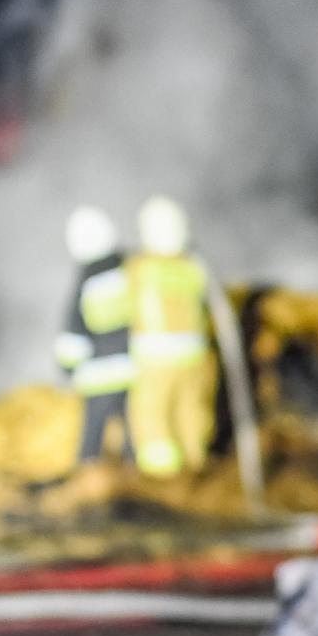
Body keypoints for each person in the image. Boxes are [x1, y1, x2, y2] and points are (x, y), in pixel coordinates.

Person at [125, 195, 216, 478]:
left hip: (155, 357)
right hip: (194, 355)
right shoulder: (192, 267)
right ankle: (196, 462)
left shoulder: (139, 267)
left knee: (153, 413)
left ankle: (162, 475)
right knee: (193, 410)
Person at [56, 205, 136, 465]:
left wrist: (67, 367)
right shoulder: (130, 269)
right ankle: (135, 470)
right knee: (134, 429)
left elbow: (74, 333)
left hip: (99, 376)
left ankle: (88, 468)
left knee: (93, 433)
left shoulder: (86, 280)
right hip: (133, 368)